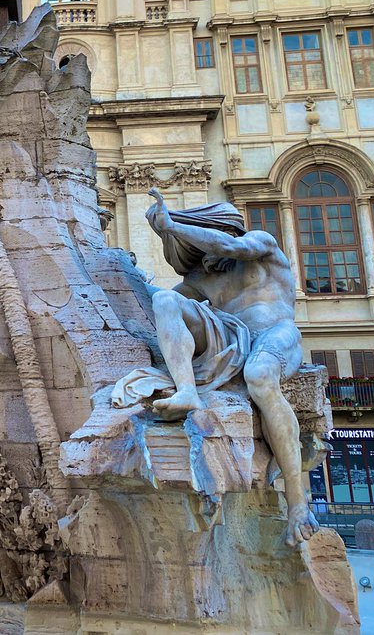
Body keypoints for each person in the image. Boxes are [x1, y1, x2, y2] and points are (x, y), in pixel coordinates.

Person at [114, 188, 318, 547]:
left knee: (259, 376)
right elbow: (156, 302)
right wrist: (122, 270)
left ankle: (297, 501)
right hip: (232, 337)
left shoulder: (259, 245)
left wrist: (173, 225)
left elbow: (232, 248)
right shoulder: (199, 280)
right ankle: (187, 391)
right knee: (165, 299)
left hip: (276, 333)